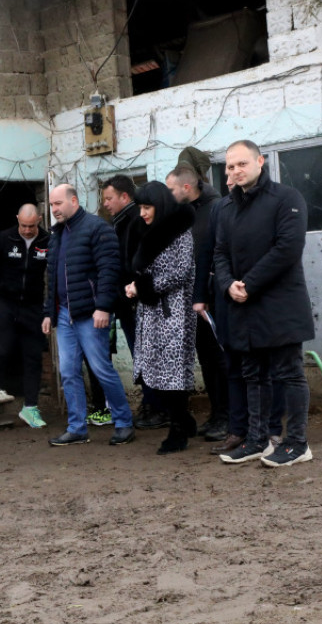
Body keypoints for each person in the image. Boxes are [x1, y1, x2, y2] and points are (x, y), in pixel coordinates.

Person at [214, 140, 315, 467]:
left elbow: (287, 248)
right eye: (230, 167)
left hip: (279, 303)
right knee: (253, 374)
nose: (235, 171)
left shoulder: (286, 199)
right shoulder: (227, 207)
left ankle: (297, 443)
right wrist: (228, 284)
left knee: (289, 373)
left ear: (259, 161)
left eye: (241, 164)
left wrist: (249, 284)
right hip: (243, 307)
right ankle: (257, 440)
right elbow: (219, 253)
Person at [42, 183, 134, 446]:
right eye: (51, 205)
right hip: (64, 314)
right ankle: (77, 428)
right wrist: (49, 312)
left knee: (101, 369)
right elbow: (52, 277)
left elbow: (109, 270)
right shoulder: (57, 234)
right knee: (68, 371)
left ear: (74, 201)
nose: (54, 209)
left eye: (58, 204)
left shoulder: (97, 228)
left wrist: (103, 307)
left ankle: (124, 422)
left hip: (91, 313)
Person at [125, 181, 197, 454]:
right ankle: (185, 420)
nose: (142, 213)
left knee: (172, 373)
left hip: (174, 311)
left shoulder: (180, 231)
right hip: (150, 311)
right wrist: (134, 284)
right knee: (152, 372)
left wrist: (141, 287)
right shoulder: (144, 229)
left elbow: (180, 272)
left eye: (147, 207)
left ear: (160, 204)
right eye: (140, 207)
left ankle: (178, 430)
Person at [165, 159, 230, 441]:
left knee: (219, 357)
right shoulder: (185, 212)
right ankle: (217, 414)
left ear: (187, 187)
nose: (168, 195)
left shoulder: (215, 208)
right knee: (206, 357)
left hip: (215, 296)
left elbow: (217, 252)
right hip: (195, 298)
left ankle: (228, 416)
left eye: (171, 189)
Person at [98, 174, 167, 431]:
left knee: (146, 355)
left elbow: (139, 262)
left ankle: (157, 407)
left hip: (136, 301)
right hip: (126, 301)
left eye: (109, 198)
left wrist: (134, 289)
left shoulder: (135, 222)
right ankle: (152, 405)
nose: (105, 203)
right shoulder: (119, 222)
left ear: (124, 197)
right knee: (141, 355)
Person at [0, 204, 50, 428]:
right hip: (6, 304)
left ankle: (30, 408)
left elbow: (53, 273)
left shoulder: (47, 240)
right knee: (0, 352)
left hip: (33, 307)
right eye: (23, 225)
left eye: (32, 226)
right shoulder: (5, 238)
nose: (27, 230)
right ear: (17, 219)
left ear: (40, 220)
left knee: (33, 356)